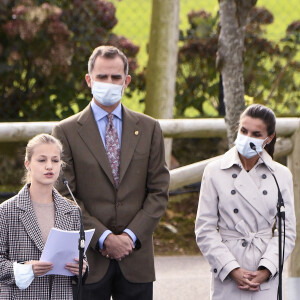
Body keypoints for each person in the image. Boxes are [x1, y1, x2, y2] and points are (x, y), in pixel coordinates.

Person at [52, 45, 170, 300]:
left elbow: (159, 191)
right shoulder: (66, 132)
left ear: (126, 81)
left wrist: (130, 236)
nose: (109, 82)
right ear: (89, 80)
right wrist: (104, 238)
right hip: (87, 261)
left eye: (116, 77)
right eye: (102, 76)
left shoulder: (149, 128)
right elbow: (64, 196)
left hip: (136, 259)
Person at [195, 104, 296, 299]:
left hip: (265, 268)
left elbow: (287, 231)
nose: (247, 138)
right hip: (228, 268)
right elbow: (204, 229)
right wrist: (231, 268)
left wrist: (267, 269)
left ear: (269, 138)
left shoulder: (281, 175)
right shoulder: (214, 171)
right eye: (243, 130)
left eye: (256, 134)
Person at [0, 134, 87, 299]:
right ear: (28, 164)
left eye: (55, 161)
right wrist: (24, 269)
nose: (49, 166)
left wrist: (82, 268)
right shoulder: (6, 211)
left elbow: (80, 258)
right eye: (42, 160)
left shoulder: (72, 210)